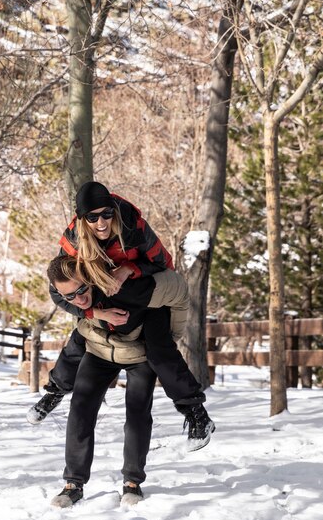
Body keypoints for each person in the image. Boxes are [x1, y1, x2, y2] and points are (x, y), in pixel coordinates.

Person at [28, 182, 215, 450]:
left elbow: (164, 264)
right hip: (104, 299)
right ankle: (55, 391)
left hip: (148, 297)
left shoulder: (133, 227)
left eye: (106, 214)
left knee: (159, 349)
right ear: (82, 219)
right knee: (84, 331)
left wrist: (129, 268)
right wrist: (93, 311)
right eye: (92, 217)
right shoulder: (73, 242)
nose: (101, 222)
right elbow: (59, 289)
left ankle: (197, 415)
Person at [48, 257, 157, 508]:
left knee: (138, 413)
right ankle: (73, 483)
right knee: (80, 410)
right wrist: (94, 311)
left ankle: (132, 482)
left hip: (138, 349)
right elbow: (62, 294)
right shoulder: (67, 284)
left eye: (81, 289)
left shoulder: (119, 269)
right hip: (99, 349)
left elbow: (162, 270)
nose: (78, 297)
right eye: (70, 295)